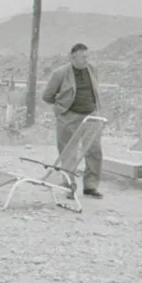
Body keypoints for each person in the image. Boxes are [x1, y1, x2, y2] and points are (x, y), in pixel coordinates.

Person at [42, 42, 104, 199]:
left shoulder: (92, 70)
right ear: (72, 56)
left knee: (94, 150)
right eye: (82, 57)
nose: (86, 60)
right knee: (68, 152)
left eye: (87, 56)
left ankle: (91, 186)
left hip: (91, 116)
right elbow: (47, 96)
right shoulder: (60, 73)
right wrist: (61, 109)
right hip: (69, 117)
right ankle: (69, 185)